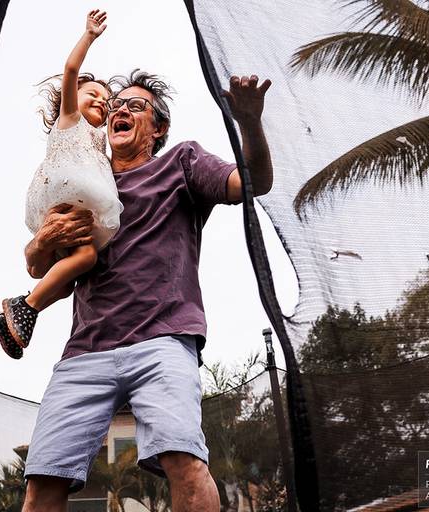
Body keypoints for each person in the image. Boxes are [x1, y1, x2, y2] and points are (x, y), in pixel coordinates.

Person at [19, 67, 273, 512]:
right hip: (85, 352)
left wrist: (249, 121)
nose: (120, 110)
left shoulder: (181, 163)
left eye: (135, 106)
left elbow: (253, 180)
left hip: (164, 341)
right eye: (116, 106)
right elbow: (45, 270)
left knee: (184, 460)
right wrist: (41, 239)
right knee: (43, 480)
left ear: (158, 128)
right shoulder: (87, 188)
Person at [0, 10, 122, 358]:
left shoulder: (97, 140)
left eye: (106, 102)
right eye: (93, 94)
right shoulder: (70, 119)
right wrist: (89, 37)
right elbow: (72, 71)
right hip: (66, 196)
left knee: (65, 284)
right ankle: (25, 306)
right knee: (88, 256)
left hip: (80, 205)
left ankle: (11, 320)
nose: (102, 102)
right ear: (73, 98)